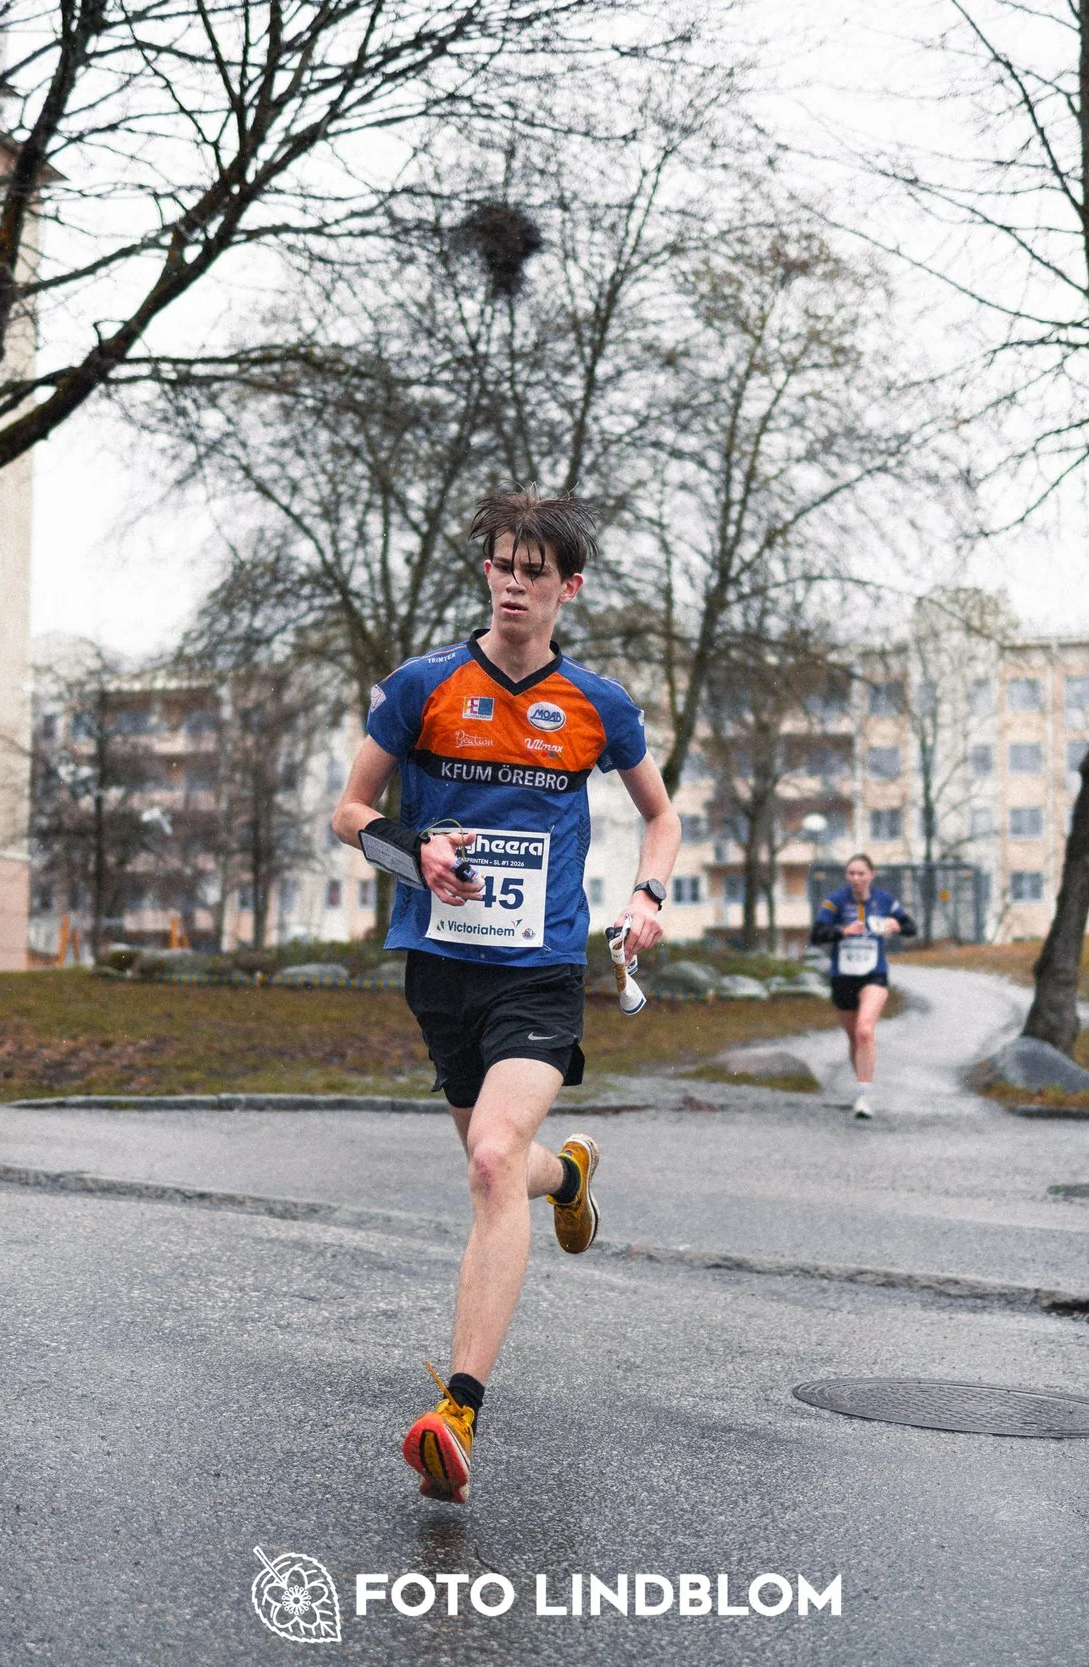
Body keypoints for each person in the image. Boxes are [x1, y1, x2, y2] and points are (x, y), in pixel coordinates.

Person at [331, 490, 679, 1505]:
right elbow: (349, 811)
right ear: (486, 572)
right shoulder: (424, 685)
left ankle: (458, 1411)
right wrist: (413, 850)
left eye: (536, 570)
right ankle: (565, 1177)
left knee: (489, 1159)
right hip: (440, 965)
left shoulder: (598, 705)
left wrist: (647, 898)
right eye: (503, 566)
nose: (515, 584)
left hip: (540, 969)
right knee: (501, 1168)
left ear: (570, 587)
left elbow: (659, 818)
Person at [809, 853, 914, 1120]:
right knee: (854, 1038)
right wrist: (842, 931)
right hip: (842, 977)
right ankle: (861, 1087)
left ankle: (864, 1096)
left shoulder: (884, 900)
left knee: (865, 1030)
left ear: (871, 875)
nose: (855, 878)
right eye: (851, 873)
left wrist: (896, 925)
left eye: (861, 873)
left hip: (874, 975)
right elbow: (816, 934)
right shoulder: (835, 901)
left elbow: (911, 926)